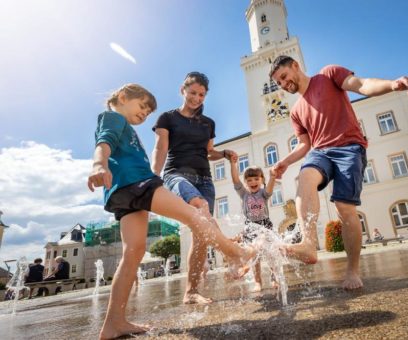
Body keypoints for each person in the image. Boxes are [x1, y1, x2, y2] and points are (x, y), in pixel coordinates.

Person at [88, 83, 253, 339]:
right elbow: (103, 144)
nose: (145, 114)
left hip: (122, 194)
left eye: (148, 111)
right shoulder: (112, 118)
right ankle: (235, 253)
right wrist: (99, 165)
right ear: (122, 97)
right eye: (142, 106)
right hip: (138, 184)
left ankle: (114, 322)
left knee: (134, 252)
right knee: (193, 215)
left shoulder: (125, 126)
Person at [269, 55, 408, 290]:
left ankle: (352, 271)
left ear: (295, 66)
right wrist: (284, 162)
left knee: (345, 209)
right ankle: (308, 245)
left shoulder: (328, 74)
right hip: (320, 152)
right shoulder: (296, 111)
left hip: (349, 147)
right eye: (279, 83)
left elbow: (361, 85)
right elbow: (304, 144)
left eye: (284, 77)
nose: (284, 84)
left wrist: (392, 84)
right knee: (305, 175)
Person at [151, 72, 238, 305]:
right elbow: (160, 148)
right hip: (176, 174)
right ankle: (233, 255)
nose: (197, 98)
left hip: (205, 180)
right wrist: (152, 176)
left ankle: (191, 292)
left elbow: (209, 152)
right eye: (193, 93)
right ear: (183, 90)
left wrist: (224, 153)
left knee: (200, 236)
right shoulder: (167, 118)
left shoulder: (208, 123)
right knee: (199, 207)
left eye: (201, 94)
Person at [229, 159, 278, 291]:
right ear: (245, 182)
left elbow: (270, 189)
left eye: (256, 179)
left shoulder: (263, 193)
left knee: (269, 254)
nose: (253, 182)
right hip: (250, 227)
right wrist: (233, 164)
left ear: (262, 179)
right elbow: (235, 181)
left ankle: (274, 277)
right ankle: (258, 282)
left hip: (264, 225)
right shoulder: (244, 194)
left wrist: (273, 177)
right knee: (255, 257)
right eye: (249, 180)